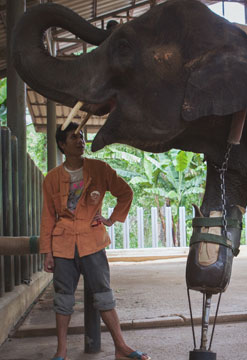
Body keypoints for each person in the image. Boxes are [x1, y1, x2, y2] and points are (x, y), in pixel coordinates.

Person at [40, 122, 150, 360]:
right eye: (73, 137)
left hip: (93, 241)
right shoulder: (51, 179)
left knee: (104, 295)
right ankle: (61, 352)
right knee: (63, 298)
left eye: (81, 136)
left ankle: (121, 347)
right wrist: (47, 251)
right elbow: (48, 217)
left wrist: (112, 219)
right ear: (62, 144)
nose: (80, 141)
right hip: (63, 244)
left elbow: (125, 192)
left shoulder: (100, 169)